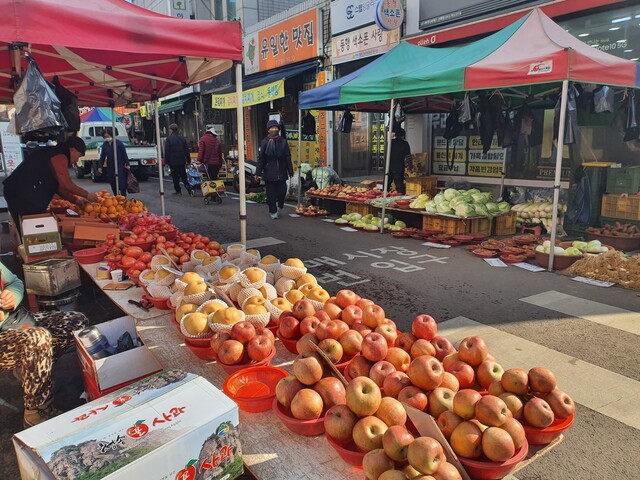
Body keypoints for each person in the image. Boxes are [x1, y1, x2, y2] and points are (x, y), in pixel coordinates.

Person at [0, 262, 88, 427]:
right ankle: (37, 412)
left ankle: (32, 374)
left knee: (76, 322)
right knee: (38, 339)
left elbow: (14, 282)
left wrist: (11, 295)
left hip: (14, 321)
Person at [3, 136, 99, 230]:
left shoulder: (54, 152)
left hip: (20, 191)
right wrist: (87, 194)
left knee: (29, 226)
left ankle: (28, 243)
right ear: (72, 150)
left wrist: (75, 200)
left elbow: (60, 186)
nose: (77, 160)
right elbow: (66, 183)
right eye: (78, 156)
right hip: (21, 192)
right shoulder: (59, 155)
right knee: (30, 227)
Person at [255, 120, 293, 219]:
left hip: (281, 171)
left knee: (282, 191)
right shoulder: (264, 142)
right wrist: (258, 173)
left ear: (278, 129)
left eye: (276, 128)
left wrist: (290, 170)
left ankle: (280, 204)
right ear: (268, 130)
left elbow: (287, 157)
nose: (274, 130)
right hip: (269, 172)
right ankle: (273, 211)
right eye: (272, 128)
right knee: (271, 194)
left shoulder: (283, 142)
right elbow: (261, 159)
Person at [98, 128, 130, 197]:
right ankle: (116, 196)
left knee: (121, 183)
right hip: (110, 166)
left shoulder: (119, 143)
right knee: (112, 182)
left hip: (119, 165)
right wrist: (100, 166)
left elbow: (124, 154)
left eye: (108, 136)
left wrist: (127, 164)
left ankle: (123, 197)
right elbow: (102, 156)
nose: (107, 138)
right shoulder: (105, 145)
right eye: (105, 137)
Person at [164, 123, 192, 195]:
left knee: (175, 176)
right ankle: (187, 185)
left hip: (173, 161)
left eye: (169, 130)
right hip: (181, 160)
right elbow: (186, 150)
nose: (169, 131)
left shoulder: (169, 139)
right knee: (183, 175)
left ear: (171, 130)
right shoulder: (182, 138)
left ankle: (178, 190)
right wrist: (188, 160)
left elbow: (167, 151)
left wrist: (166, 161)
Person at [388, 127, 412, 195]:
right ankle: (399, 198)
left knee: (387, 184)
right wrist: (410, 167)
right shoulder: (405, 144)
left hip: (388, 167)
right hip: (399, 167)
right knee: (399, 186)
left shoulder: (390, 143)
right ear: (403, 135)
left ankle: (383, 197)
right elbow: (408, 157)